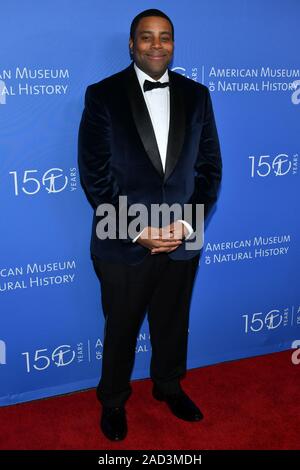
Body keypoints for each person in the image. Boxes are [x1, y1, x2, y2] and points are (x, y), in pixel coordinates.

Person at [78, 9, 222, 441]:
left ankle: (168, 385)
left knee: (173, 322)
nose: (156, 45)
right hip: (124, 240)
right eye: (146, 37)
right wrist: (136, 230)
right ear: (131, 44)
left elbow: (210, 169)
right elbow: (94, 175)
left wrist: (186, 223)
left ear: (174, 44)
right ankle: (114, 401)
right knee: (121, 327)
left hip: (181, 237)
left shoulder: (198, 96)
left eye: (165, 37)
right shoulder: (102, 96)